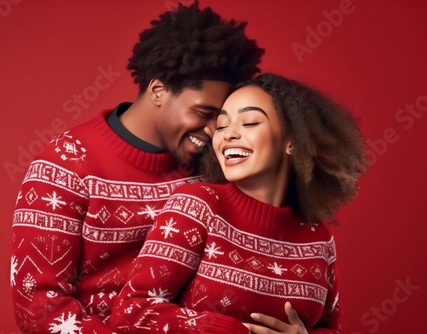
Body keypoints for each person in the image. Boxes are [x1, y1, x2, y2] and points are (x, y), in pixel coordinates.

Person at [9, 2, 264, 333]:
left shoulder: (218, 165)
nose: (215, 131)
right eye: (204, 113)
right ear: (158, 90)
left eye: (223, 118)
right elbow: (40, 311)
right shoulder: (66, 165)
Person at [110, 73, 369, 333]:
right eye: (222, 126)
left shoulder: (318, 239)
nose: (228, 135)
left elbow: (330, 327)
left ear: (292, 141)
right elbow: (132, 311)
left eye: (249, 122)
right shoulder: (198, 207)